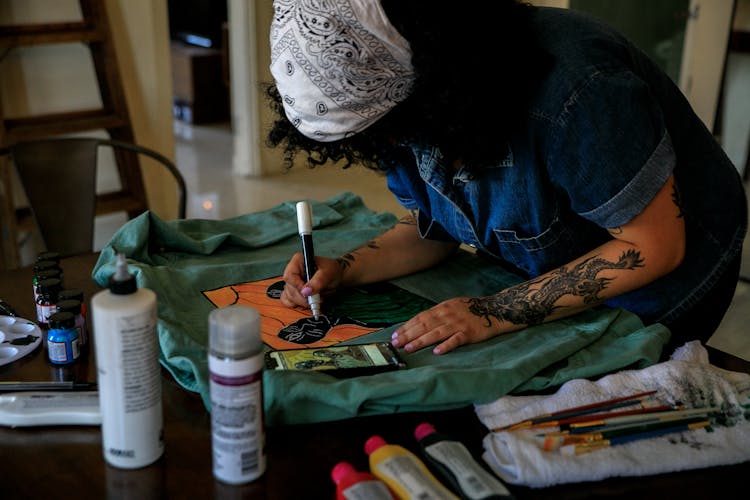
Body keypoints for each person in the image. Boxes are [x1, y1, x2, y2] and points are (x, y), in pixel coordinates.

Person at [267, 0, 747, 358]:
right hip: (562, 259)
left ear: (432, 84)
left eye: (389, 132)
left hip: (671, 275)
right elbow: (436, 227)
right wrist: (344, 269)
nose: (389, 149)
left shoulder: (578, 90)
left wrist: (497, 311)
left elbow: (655, 245)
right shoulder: (406, 114)